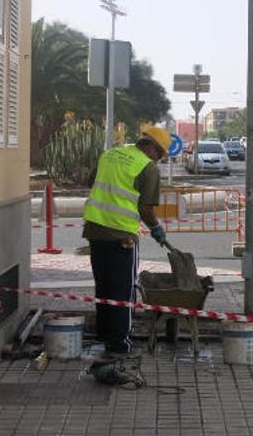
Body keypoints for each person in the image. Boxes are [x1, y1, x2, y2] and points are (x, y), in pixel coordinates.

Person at [82, 126, 172, 358]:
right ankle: (120, 345)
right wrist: (156, 228)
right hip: (122, 235)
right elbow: (145, 207)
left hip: (95, 230)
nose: (158, 160)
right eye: (160, 155)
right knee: (122, 290)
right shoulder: (147, 167)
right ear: (152, 148)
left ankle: (104, 335)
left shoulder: (110, 153)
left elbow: (92, 181)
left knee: (103, 286)